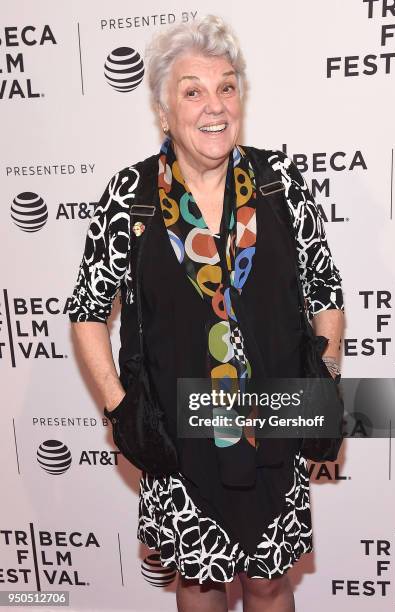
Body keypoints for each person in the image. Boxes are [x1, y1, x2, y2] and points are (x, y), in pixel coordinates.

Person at [69, 14, 344, 612]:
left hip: (273, 417)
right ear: (165, 112)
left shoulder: (280, 183)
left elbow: (325, 292)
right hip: (178, 430)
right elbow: (88, 313)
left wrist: (323, 380)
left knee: (271, 582)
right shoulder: (131, 194)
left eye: (226, 87)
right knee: (199, 582)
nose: (213, 106)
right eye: (192, 91)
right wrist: (122, 410)